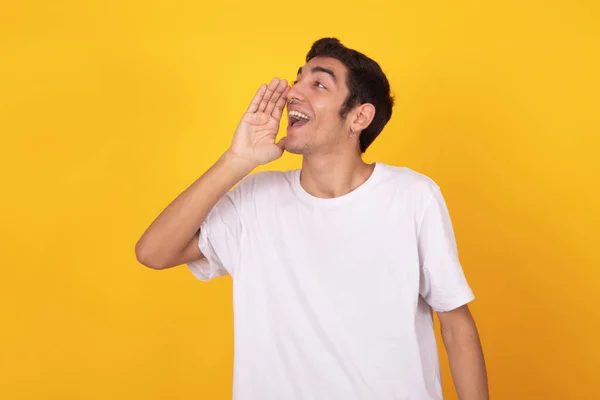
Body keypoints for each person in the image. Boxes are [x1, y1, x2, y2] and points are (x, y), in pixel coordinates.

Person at [135, 37, 489, 400]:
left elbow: (455, 326)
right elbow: (153, 253)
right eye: (297, 79)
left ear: (359, 117)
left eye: (318, 84)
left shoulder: (412, 196)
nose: (292, 92)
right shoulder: (256, 200)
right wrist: (236, 160)